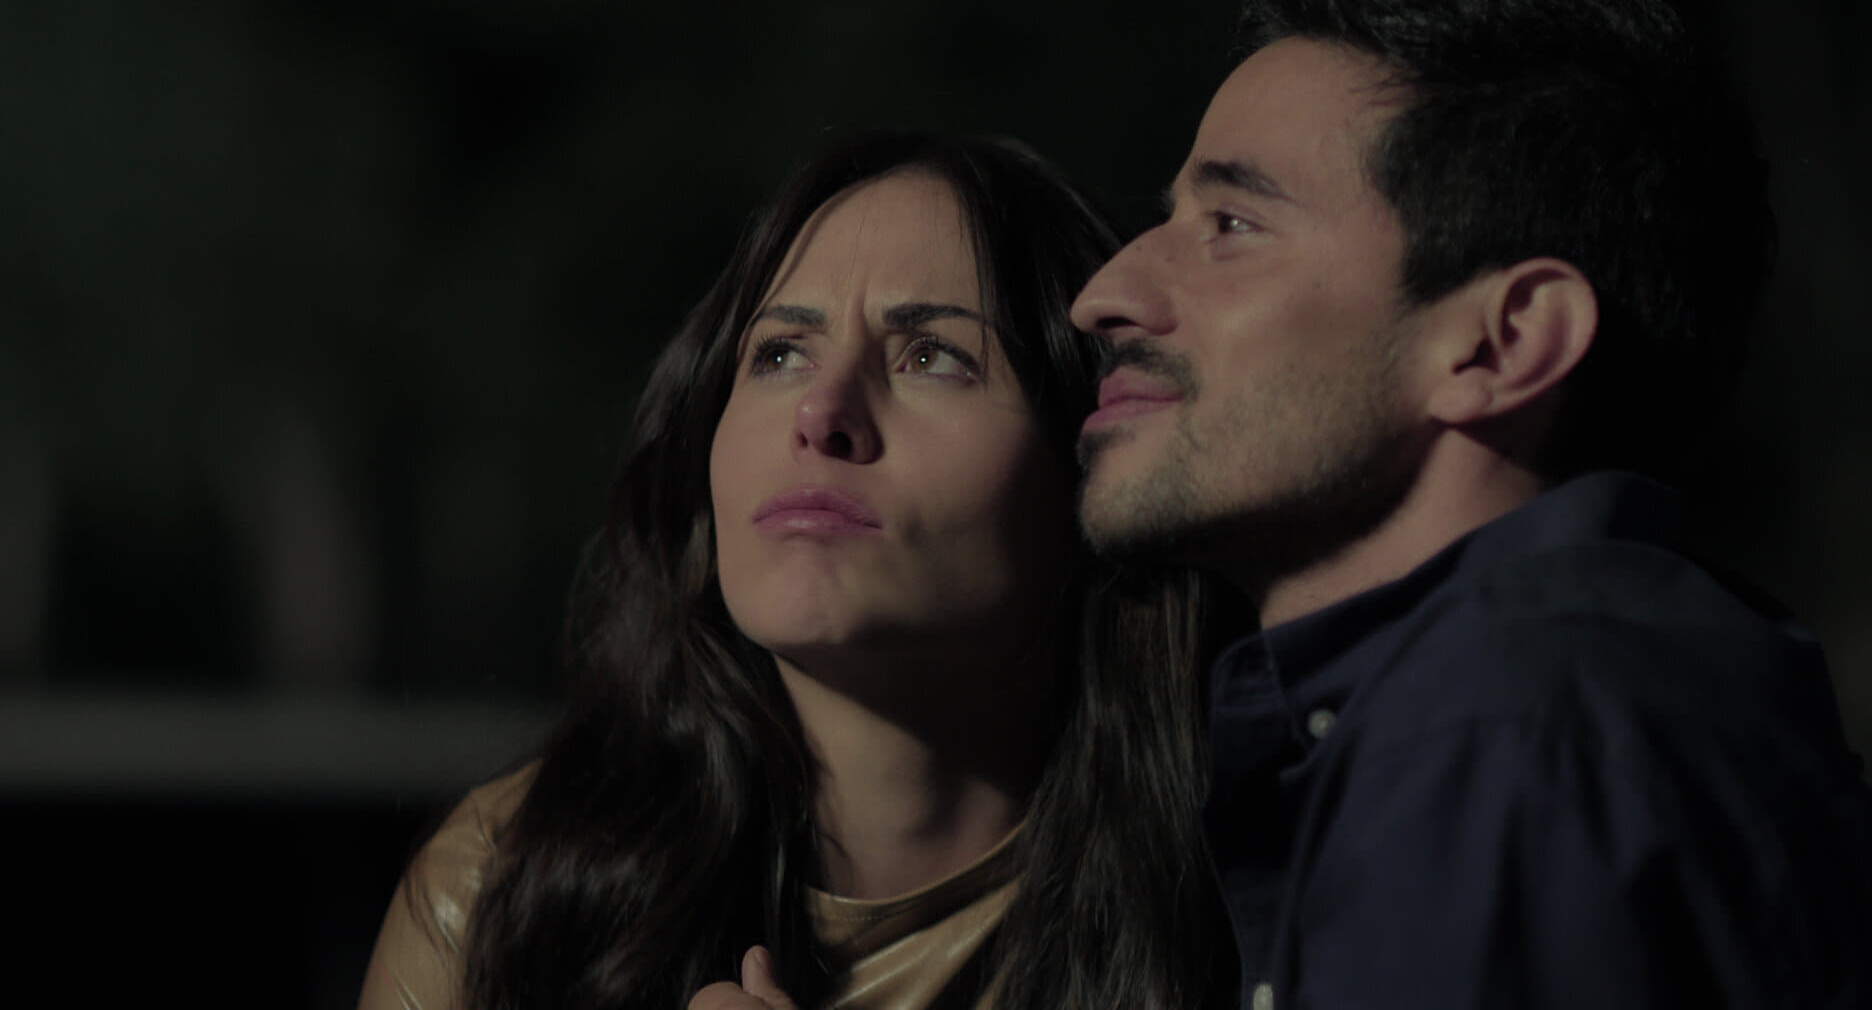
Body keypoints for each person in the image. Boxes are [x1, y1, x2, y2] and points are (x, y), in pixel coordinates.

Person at [1069, 0, 1872, 1007]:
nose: (1104, 295)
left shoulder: (1493, 728)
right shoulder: (1603, 700)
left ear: (1506, 342)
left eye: (1232, 224)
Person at [354, 131, 1237, 1010]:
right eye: (780, 354)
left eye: (931, 356)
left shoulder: (1247, 902)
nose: (821, 410)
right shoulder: (506, 888)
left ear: (1091, 463)